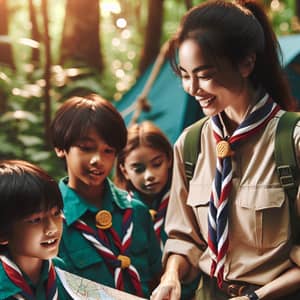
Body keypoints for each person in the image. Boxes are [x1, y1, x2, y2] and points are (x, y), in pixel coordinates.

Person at [150, 1, 300, 300]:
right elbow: (183, 238)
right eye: (184, 74)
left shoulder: (292, 141)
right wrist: (171, 276)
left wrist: (257, 297)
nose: (192, 88)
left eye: (204, 74)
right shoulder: (190, 144)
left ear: (246, 63)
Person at [50, 94, 162, 298]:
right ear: (61, 148)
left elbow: (158, 278)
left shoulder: (136, 212)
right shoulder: (49, 221)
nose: (97, 160)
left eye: (108, 151)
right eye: (86, 148)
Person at [0, 159, 70, 299]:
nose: (52, 228)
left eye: (56, 213)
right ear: (2, 233)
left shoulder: (60, 270)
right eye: (35, 220)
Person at [115, 121, 173, 248]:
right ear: (124, 171)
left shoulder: (185, 201)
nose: (149, 175)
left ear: (169, 158)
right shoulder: (119, 212)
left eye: (157, 164)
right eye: (138, 169)